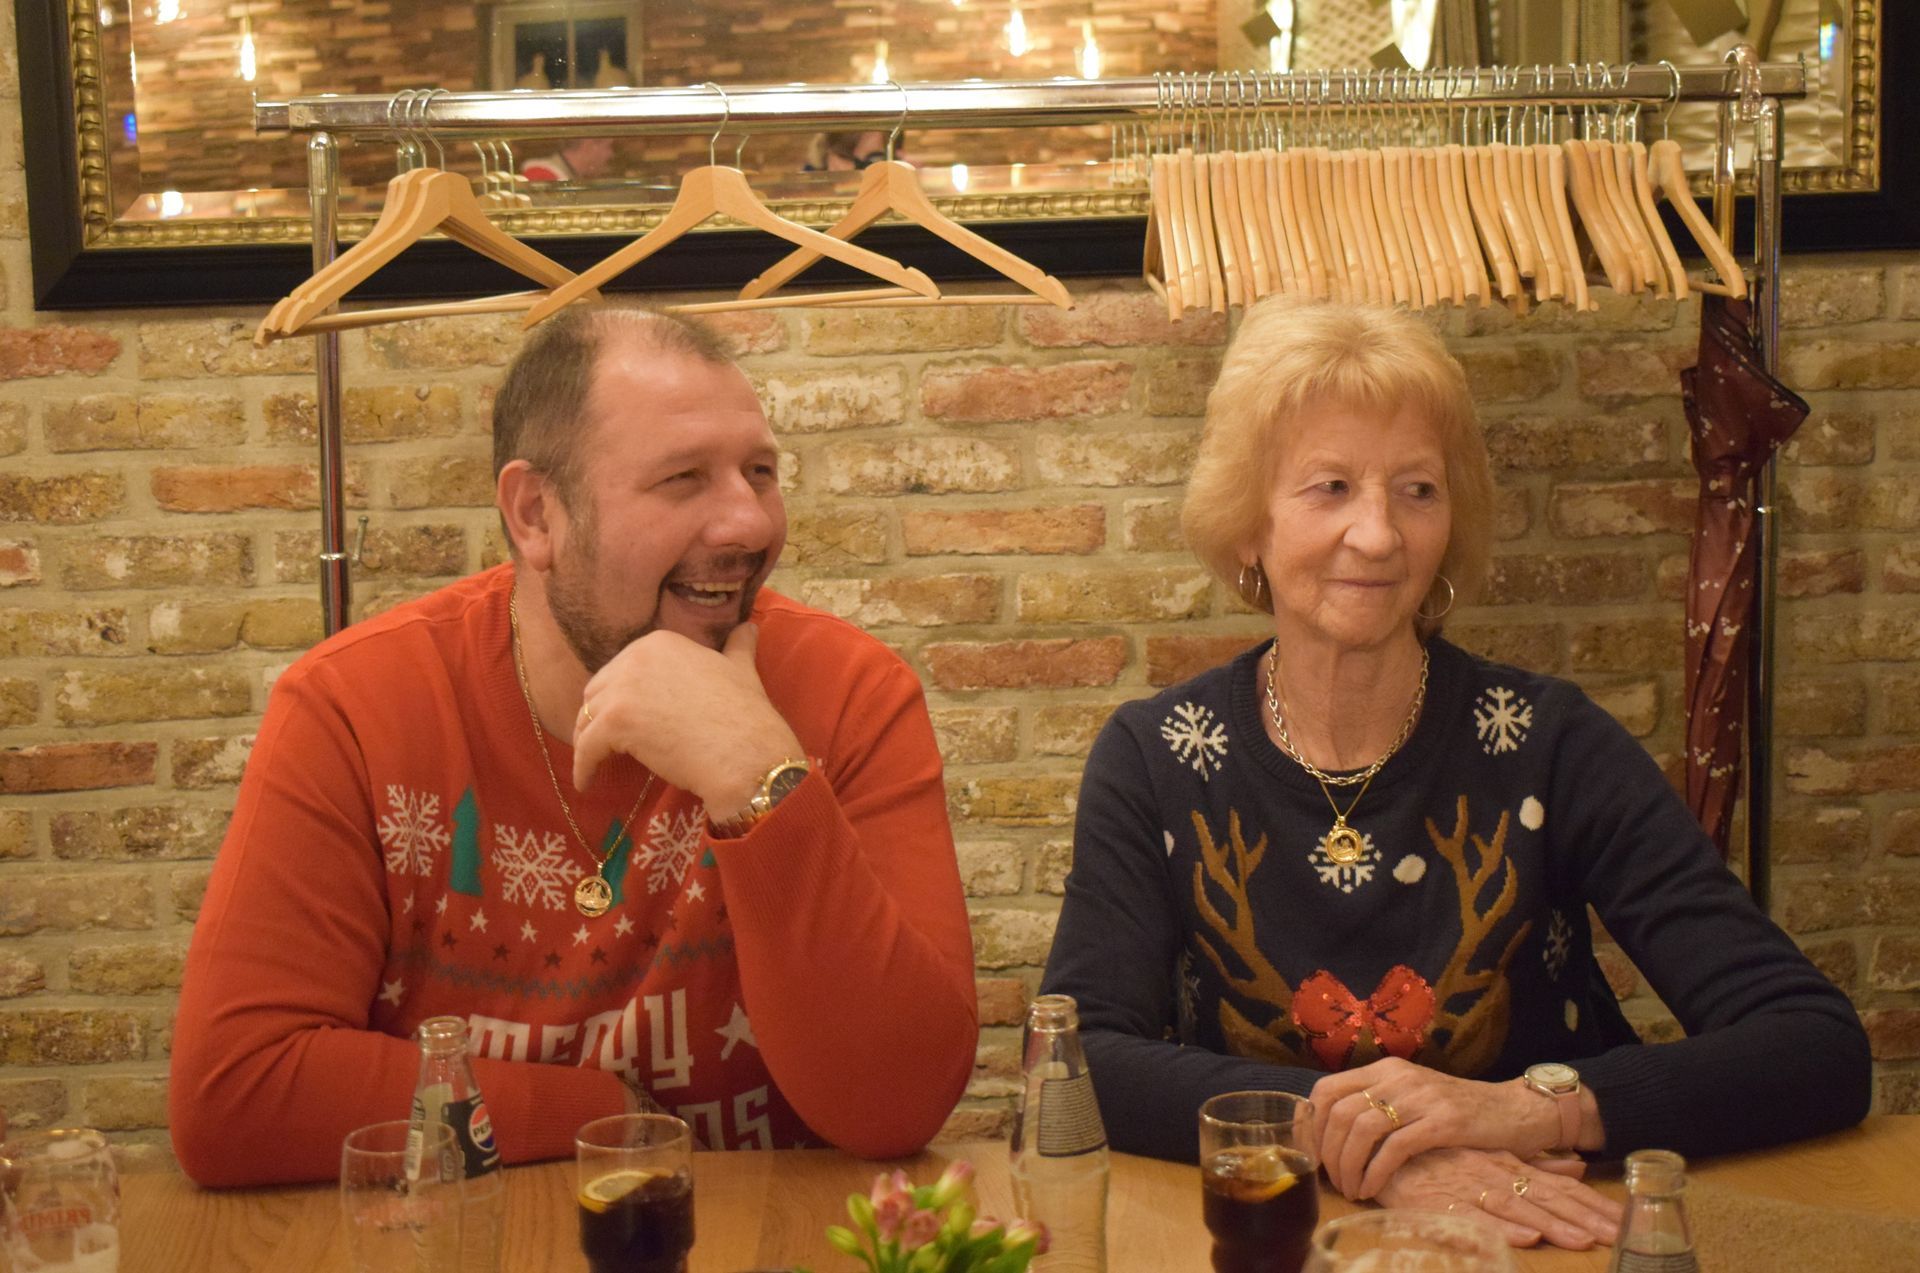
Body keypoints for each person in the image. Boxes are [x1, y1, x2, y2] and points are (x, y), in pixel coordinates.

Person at [1040, 299, 1870, 1250]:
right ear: (1246, 525)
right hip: (1284, 1238)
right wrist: (1369, 1142)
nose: (1378, 534)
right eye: (1330, 487)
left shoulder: (1551, 742)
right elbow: (1080, 1058)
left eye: (1418, 490)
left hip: (1544, 1236)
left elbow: (1816, 1045)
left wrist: (1525, 1109)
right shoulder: (1154, 757)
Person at [170, 307, 978, 1186]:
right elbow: (237, 1093)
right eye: (683, 479)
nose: (749, 523)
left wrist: (760, 778)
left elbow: (899, 1101)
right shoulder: (355, 708)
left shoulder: (852, 694)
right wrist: (606, 1116)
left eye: (760, 472)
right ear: (537, 514)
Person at [521, 137, 616, 183]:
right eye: (608, 147)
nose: (611, 154)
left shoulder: (570, 178)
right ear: (589, 145)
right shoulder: (542, 176)